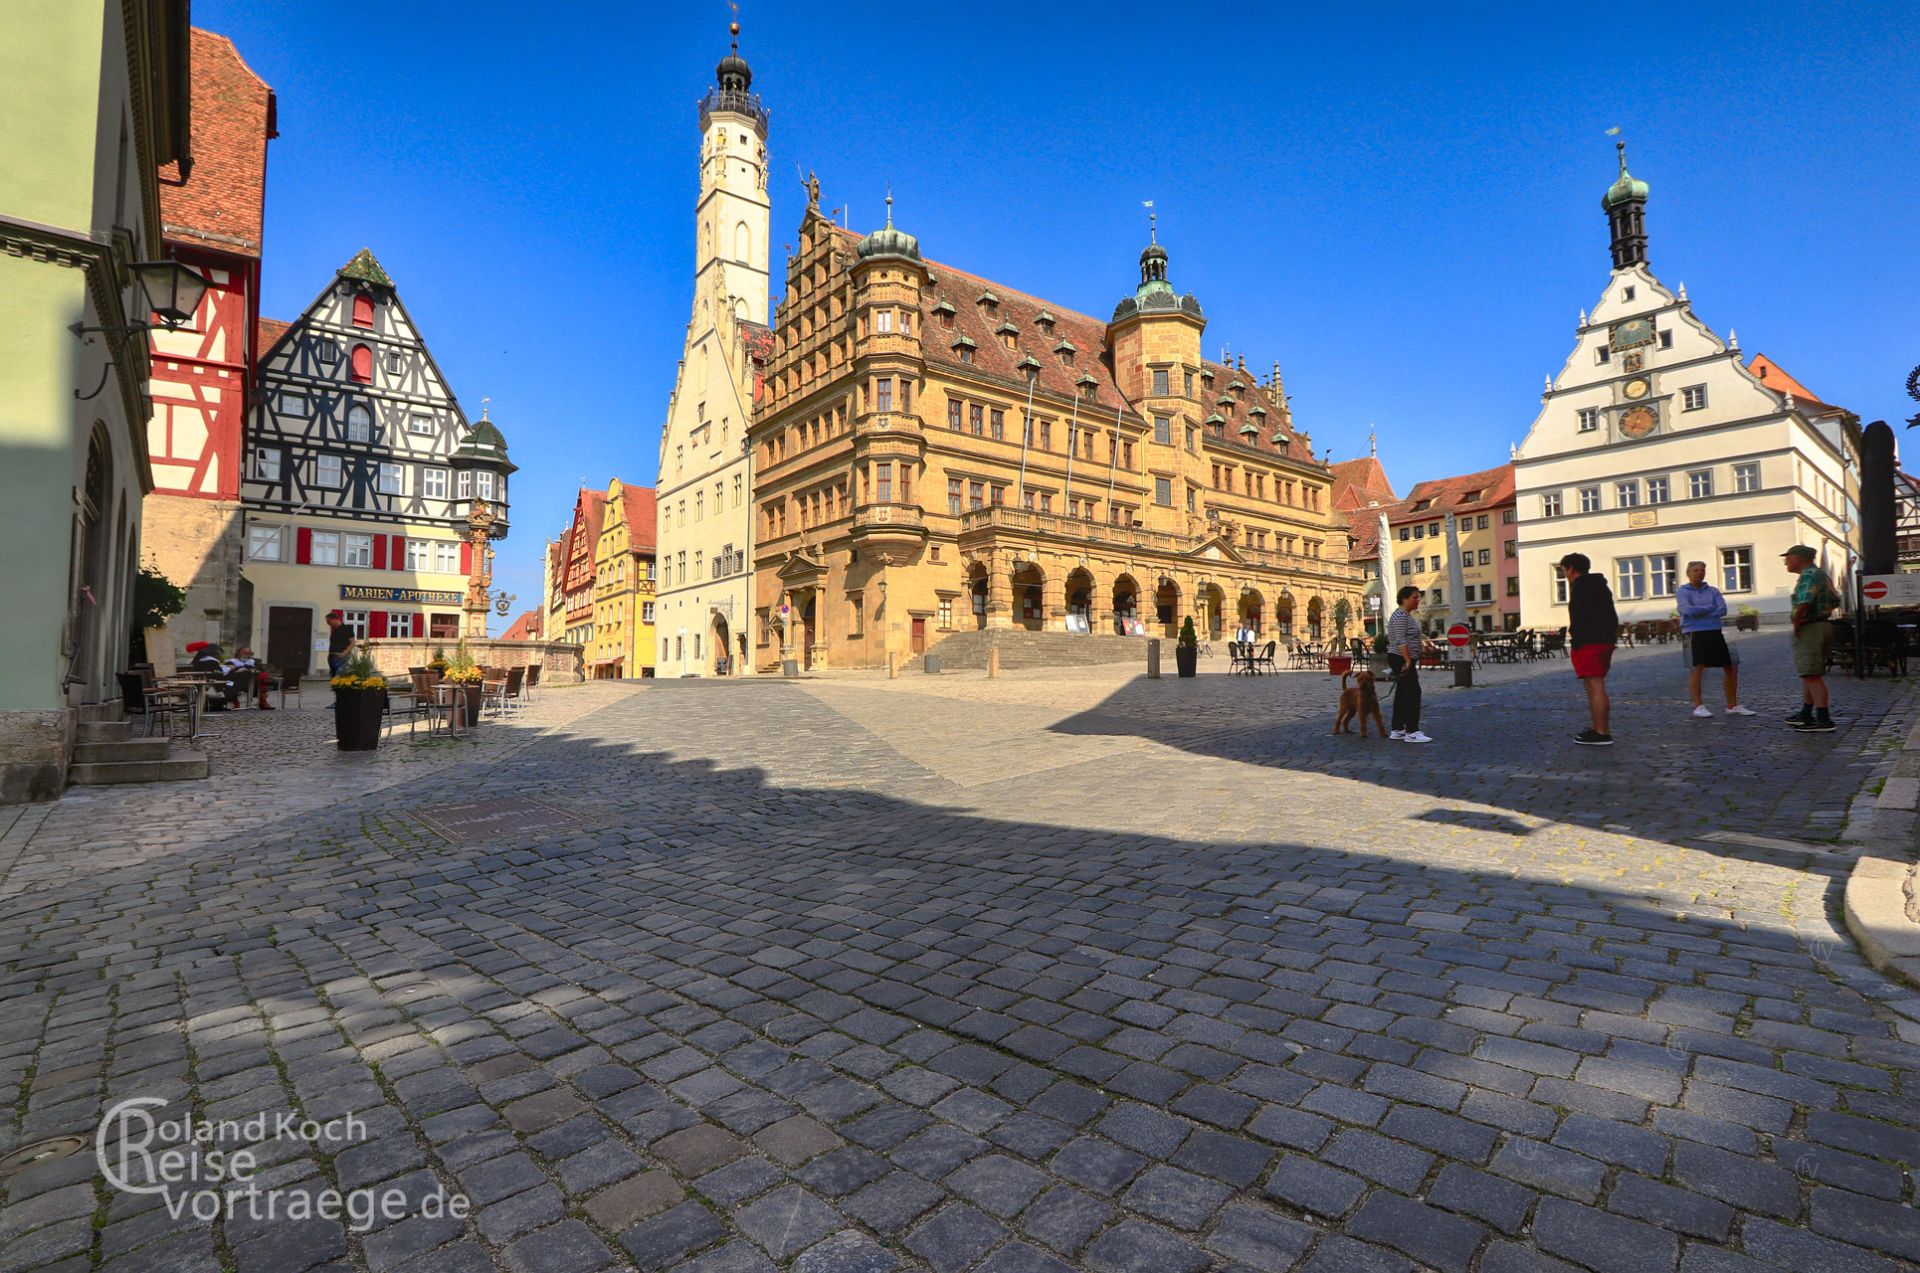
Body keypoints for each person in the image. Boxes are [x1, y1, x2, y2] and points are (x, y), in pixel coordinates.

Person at [1676, 561, 1752, 718]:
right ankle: (1698, 706)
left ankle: (1732, 705)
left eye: (1702, 570)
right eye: (1696, 570)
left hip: (1715, 631)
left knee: (1730, 667)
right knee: (1697, 668)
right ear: (1688, 573)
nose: (1700, 573)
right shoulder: (1683, 592)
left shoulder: (1713, 591)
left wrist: (1701, 611)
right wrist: (1710, 608)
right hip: (1693, 633)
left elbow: (1722, 609)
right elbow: (1688, 611)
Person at [1560, 552, 1617, 745]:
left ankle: (1602, 732)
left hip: (1589, 642)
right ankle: (1597, 728)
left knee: (1595, 685)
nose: (1564, 574)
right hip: (1605, 641)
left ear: (1571, 569)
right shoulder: (1600, 586)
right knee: (1593, 685)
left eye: (1564, 570)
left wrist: (1577, 637)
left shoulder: (1581, 588)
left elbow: (1581, 617)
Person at [1783, 545, 1840, 732]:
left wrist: (1797, 622)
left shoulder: (1808, 575)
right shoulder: (1821, 574)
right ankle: (1806, 714)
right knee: (1810, 673)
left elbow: (1804, 602)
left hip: (1811, 627)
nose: (1786, 561)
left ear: (1799, 558)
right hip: (1823, 625)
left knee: (1811, 674)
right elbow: (1835, 599)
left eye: (1788, 558)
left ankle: (1824, 720)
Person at [1386, 584, 1432, 743]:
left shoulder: (1406, 615)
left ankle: (1398, 729)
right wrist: (1407, 660)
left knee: (1402, 693)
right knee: (1413, 693)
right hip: (1400, 658)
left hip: (1403, 657)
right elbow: (1400, 640)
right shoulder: (1400, 616)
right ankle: (1412, 731)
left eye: (1418, 596)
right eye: (1415, 597)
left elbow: (1411, 637)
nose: (1418, 600)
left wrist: (1421, 649)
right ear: (1404, 599)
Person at [325, 611, 353, 678]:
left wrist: (344, 653)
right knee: (333, 677)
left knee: (339, 677)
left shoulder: (346, 628)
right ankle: (333, 688)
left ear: (334, 619)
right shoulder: (334, 630)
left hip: (340, 657)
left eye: (329, 622)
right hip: (332, 656)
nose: (328, 624)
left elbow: (353, 642)